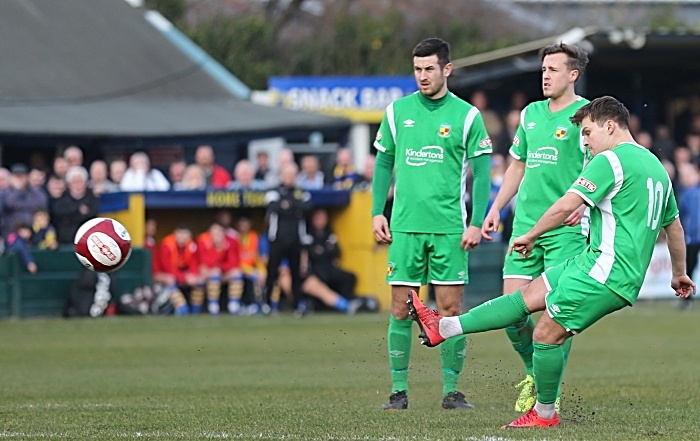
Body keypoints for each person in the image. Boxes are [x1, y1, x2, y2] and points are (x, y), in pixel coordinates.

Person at [408, 96, 696, 429]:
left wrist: (529, 235)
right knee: (527, 296)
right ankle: (444, 327)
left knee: (545, 333)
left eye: (588, 133)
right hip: (593, 261)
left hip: (605, 272)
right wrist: (678, 273)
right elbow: (673, 225)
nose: (584, 141)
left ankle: (544, 414)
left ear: (610, 126)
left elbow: (563, 207)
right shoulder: (656, 167)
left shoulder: (611, 161)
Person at [371, 38, 492, 411]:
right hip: (405, 228)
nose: (422, 76)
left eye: (429, 69)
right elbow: (382, 164)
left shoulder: (467, 116)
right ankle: (398, 392)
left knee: (451, 311)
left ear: (447, 69)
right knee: (400, 309)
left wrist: (475, 222)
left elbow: (483, 172)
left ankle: (451, 392)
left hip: (449, 229)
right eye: (417, 69)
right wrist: (378, 211)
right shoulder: (397, 112)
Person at [480, 42, 590, 414]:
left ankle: (548, 393)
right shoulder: (529, 114)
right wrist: (496, 207)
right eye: (543, 69)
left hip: (566, 230)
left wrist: (586, 205)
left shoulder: (585, 116)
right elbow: (517, 165)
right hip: (525, 227)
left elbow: (603, 169)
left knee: (557, 314)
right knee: (513, 315)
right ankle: (534, 373)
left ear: (572, 74)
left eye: (554, 69)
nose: (545, 75)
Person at [263, 162, 313, 315]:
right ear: (281, 175)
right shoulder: (273, 191)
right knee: (272, 272)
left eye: (292, 175)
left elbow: (308, 206)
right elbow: (273, 207)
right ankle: (266, 304)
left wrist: (288, 205)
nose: (289, 178)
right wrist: (294, 206)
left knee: (296, 274)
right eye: (286, 174)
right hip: (277, 239)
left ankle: (297, 305)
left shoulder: (301, 192)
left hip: (296, 239)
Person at [301, 208, 363, 314]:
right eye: (318, 218)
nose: (320, 221)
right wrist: (323, 250)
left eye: (323, 218)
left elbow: (335, 249)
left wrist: (322, 250)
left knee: (349, 277)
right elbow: (312, 252)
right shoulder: (308, 233)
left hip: (329, 267)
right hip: (315, 270)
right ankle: (342, 306)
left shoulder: (328, 233)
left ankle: (347, 303)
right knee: (320, 283)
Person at [196, 221, 243, 315]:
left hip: (222, 272)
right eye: (213, 232)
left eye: (219, 232)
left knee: (237, 272)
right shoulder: (202, 241)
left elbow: (234, 262)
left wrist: (220, 267)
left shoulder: (231, 241)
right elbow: (206, 262)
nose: (216, 235)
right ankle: (213, 306)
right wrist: (218, 249)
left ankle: (234, 306)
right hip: (207, 274)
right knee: (214, 274)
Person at [159, 225, 204, 314]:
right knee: (170, 279)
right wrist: (185, 277)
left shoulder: (191, 246)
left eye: (185, 235)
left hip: (181, 274)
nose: (182, 238)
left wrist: (193, 276)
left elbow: (193, 263)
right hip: (162, 275)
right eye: (180, 234)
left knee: (199, 280)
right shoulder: (166, 245)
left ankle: (196, 311)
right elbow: (167, 269)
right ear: (175, 234)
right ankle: (181, 309)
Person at [50, 166, 100, 244]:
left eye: (80, 181)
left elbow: (92, 214)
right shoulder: (62, 198)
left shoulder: (92, 197)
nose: (78, 185)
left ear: (86, 182)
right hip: (66, 241)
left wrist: (69, 217)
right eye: (75, 182)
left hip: (88, 241)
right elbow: (58, 212)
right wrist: (78, 210)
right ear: (69, 184)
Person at [2, 164, 49, 237]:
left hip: (33, 234)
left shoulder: (36, 192)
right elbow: (9, 203)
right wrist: (18, 189)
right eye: (17, 177)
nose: (19, 180)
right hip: (11, 234)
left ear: (27, 177)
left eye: (22, 176)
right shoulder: (5, 192)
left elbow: (42, 205)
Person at [235, 212, 266, 314]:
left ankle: (259, 305)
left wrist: (262, 271)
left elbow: (258, 258)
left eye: (246, 223)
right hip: (238, 269)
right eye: (241, 223)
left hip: (252, 269)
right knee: (240, 277)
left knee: (260, 277)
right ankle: (239, 305)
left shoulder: (255, 237)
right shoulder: (234, 237)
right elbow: (234, 260)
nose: (243, 226)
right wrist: (248, 270)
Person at [679, 163, 700, 310]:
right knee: (689, 268)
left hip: (693, 236)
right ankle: (687, 298)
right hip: (692, 238)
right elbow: (681, 215)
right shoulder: (687, 194)